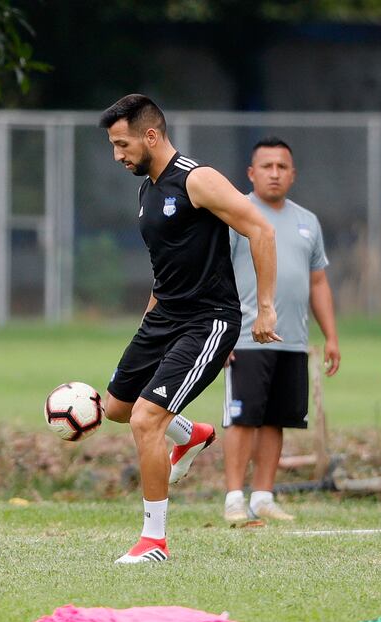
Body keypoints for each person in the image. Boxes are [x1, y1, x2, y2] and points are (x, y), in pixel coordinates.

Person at [98, 94, 279, 564]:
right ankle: (191, 434)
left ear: (150, 136)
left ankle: (153, 541)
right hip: (164, 318)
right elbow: (166, 268)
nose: (117, 155)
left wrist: (265, 309)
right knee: (117, 408)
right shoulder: (147, 190)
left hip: (208, 321)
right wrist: (147, 325)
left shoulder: (197, 179)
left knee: (145, 420)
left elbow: (261, 230)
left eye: (122, 144)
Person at [221, 137, 339, 523]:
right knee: (243, 418)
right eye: (266, 166)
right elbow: (217, 278)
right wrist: (222, 334)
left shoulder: (308, 222)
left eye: (282, 167)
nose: (274, 173)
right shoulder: (234, 213)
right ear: (251, 173)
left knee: (276, 419)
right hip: (244, 338)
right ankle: (234, 498)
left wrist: (331, 337)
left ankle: (263, 496)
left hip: (291, 341)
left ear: (293, 174)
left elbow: (318, 282)